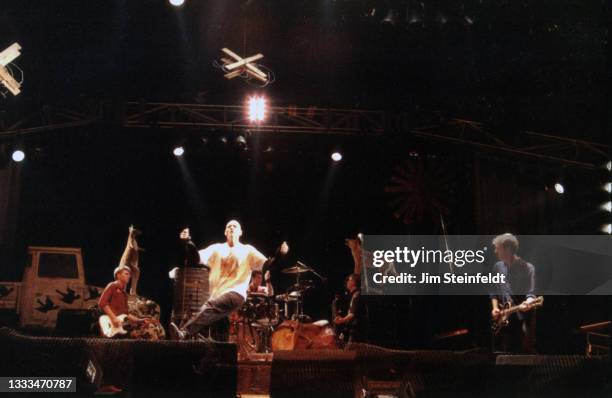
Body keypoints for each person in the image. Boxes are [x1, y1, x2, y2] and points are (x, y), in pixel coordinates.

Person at [170, 220, 288, 340]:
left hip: (236, 294)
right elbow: (196, 258)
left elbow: (267, 265)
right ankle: (221, 355)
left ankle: (184, 332)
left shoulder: (248, 250)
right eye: (229, 226)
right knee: (219, 335)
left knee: (211, 306)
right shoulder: (216, 248)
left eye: (235, 226)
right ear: (225, 232)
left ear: (240, 232)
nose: (232, 228)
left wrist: (280, 255)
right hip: (216, 295)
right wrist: (188, 242)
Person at [489, 233, 537, 353]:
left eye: (497, 248)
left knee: (522, 353)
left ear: (507, 248)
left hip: (522, 319)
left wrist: (529, 302)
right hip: (504, 319)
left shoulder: (528, 268)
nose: (495, 251)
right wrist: (495, 308)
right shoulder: (497, 267)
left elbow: (531, 294)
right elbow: (493, 291)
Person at [334, 273, 361, 345]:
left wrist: (342, 320)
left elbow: (352, 314)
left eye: (349, 280)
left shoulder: (356, 295)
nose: (347, 282)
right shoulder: (352, 294)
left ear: (353, 282)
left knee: (350, 349)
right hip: (351, 327)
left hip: (355, 329)